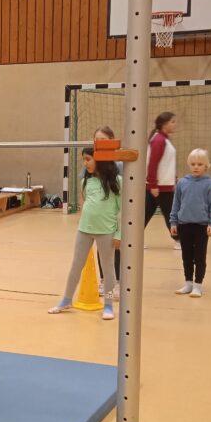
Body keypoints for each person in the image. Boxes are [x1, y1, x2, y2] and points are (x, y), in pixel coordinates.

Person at [49, 147, 121, 321]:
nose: (85, 163)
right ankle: (66, 300)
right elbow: (86, 203)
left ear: (99, 160)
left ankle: (108, 305)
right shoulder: (85, 182)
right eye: (83, 160)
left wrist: (118, 233)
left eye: (88, 159)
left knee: (108, 269)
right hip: (84, 230)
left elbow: (123, 209)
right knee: (76, 265)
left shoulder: (117, 181)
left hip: (106, 231)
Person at [170, 148, 211, 299]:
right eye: (193, 164)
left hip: (201, 227)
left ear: (206, 166)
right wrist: (173, 222)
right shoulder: (182, 183)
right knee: (186, 256)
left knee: (199, 257)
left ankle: (198, 285)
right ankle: (188, 283)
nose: (196, 167)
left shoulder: (210, 184)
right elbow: (176, 203)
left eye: (200, 164)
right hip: (184, 225)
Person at [88, 125, 122, 297]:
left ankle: (118, 282)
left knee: (116, 248)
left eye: (104, 140)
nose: (100, 143)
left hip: (114, 216)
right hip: (99, 218)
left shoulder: (119, 164)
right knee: (102, 249)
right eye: (97, 140)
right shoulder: (92, 165)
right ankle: (104, 281)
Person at [145, 111, 178, 245]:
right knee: (172, 214)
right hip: (159, 188)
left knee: (145, 215)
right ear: (164, 124)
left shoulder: (163, 139)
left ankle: (132, 239)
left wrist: (174, 178)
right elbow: (153, 163)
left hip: (163, 186)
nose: (175, 124)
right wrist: (153, 184)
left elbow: (166, 163)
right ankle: (179, 240)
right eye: (172, 122)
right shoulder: (159, 140)